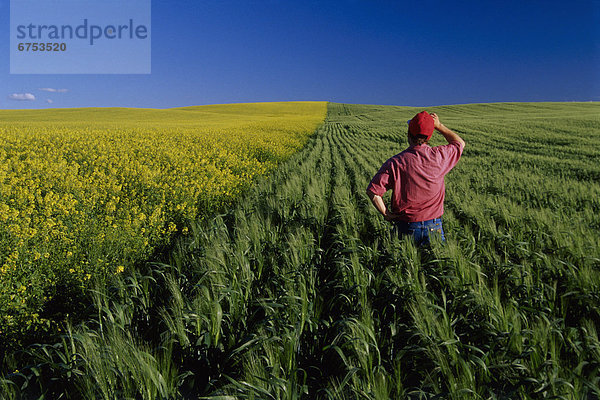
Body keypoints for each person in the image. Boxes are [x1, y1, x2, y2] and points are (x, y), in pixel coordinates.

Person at [366, 111, 465, 246]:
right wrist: (439, 125)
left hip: (406, 227)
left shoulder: (395, 162)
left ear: (408, 134)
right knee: (436, 266)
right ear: (429, 137)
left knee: (405, 265)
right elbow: (459, 143)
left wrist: (386, 214)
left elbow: (373, 191)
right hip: (434, 226)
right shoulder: (439, 156)